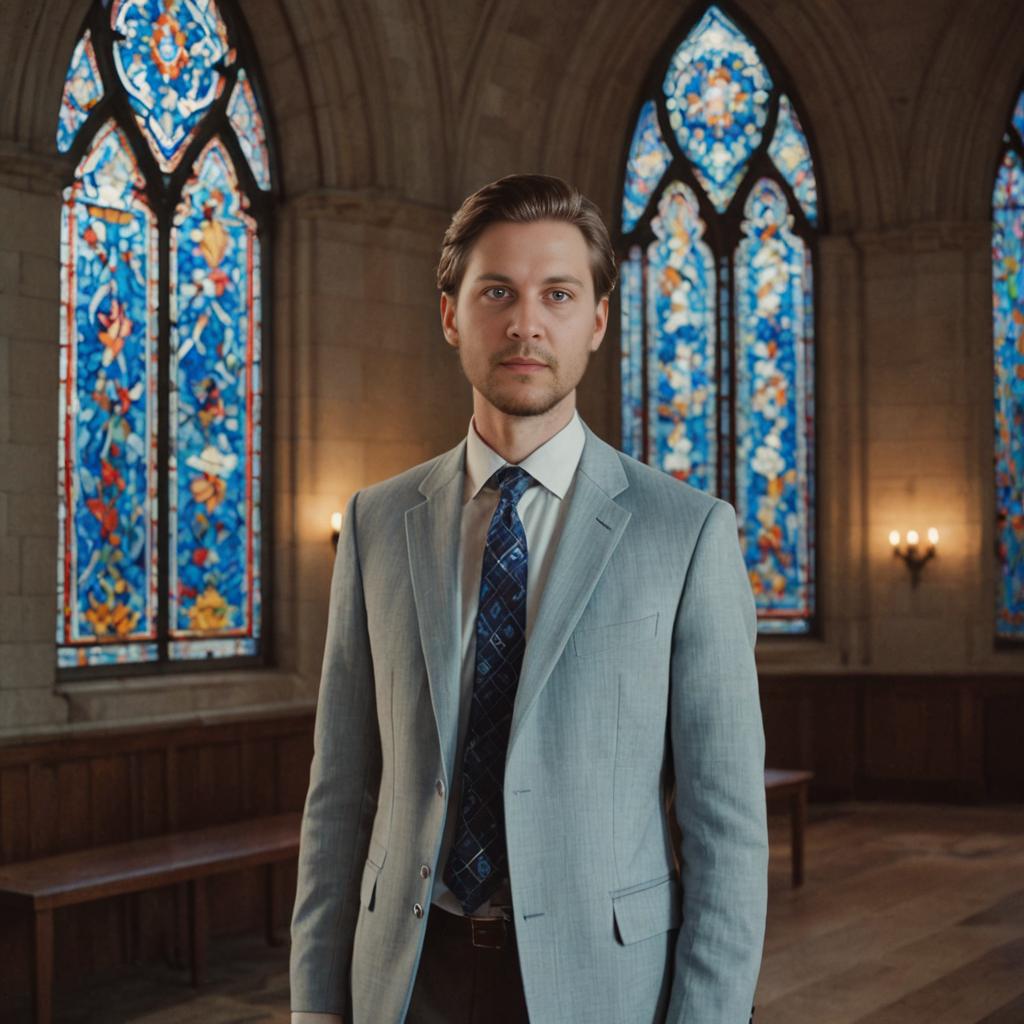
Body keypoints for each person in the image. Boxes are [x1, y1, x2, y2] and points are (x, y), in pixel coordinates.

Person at [289, 174, 768, 1024]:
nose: (526, 322)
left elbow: (727, 829)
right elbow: (341, 792)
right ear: (450, 315)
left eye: (557, 293)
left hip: (603, 986)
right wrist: (315, 1007)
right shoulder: (376, 522)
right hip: (405, 981)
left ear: (596, 321)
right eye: (497, 292)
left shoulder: (686, 534)